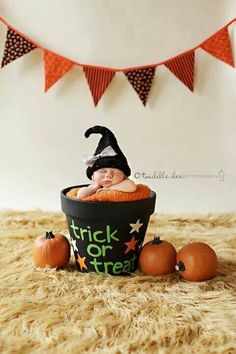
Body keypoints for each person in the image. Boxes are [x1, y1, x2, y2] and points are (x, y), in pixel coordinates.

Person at [76, 126, 137, 200]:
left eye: (116, 173)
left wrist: (111, 188)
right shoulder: (95, 186)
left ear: (124, 176)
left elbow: (132, 186)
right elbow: (80, 196)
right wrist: (95, 187)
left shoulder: (124, 183)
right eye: (102, 171)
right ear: (93, 176)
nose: (108, 175)